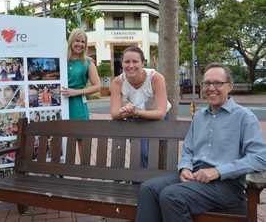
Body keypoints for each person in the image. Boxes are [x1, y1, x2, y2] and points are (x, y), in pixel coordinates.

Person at [135, 63, 266, 222]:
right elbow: (188, 150)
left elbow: (260, 158)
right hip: (195, 176)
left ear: (229, 86)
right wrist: (184, 168)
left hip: (226, 185)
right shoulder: (199, 116)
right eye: (207, 83)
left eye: (217, 83)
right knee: (148, 189)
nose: (211, 87)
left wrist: (218, 171)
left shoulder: (244, 117)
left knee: (172, 196)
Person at [110, 46, 170, 167]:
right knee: (141, 152)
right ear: (122, 64)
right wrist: (124, 110)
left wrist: (135, 111)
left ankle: (150, 179)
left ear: (143, 63)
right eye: (127, 61)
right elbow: (114, 113)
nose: (131, 65)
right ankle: (139, 180)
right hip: (135, 116)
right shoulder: (117, 82)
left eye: (135, 61)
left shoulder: (155, 78)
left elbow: (161, 112)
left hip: (157, 117)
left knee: (155, 152)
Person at [61, 29, 100, 155]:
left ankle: (85, 174)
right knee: (60, 138)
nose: (80, 44)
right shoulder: (61, 59)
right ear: (71, 41)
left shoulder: (87, 63)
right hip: (60, 103)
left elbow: (97, 86)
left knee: (81, 140)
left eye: (83, 42)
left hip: (77, 105)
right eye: (77, 41)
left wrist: (76, 92)